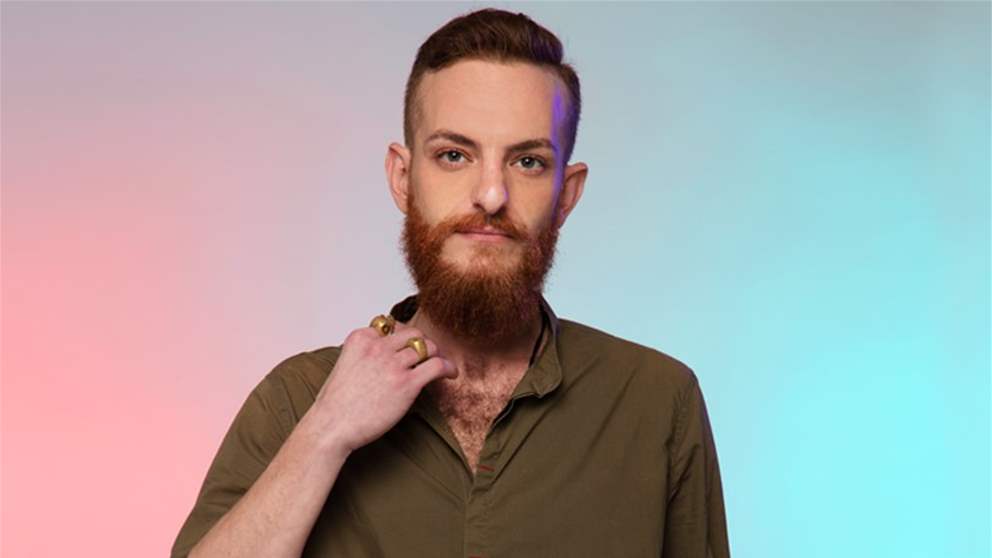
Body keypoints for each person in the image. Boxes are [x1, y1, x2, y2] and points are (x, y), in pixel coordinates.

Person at [172, 7, 730, 558]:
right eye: (454, 155)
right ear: (403, 177)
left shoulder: (657, 403)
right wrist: (325, 434)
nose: (491, 195)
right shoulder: (297, 402)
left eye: (528, 162)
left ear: (566, 194)